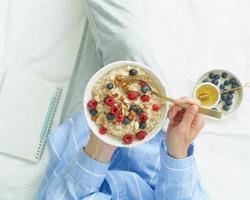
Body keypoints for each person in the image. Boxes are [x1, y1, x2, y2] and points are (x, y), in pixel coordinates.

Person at [39, 0, 206, 199]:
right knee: (125, 40)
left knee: (107, 32)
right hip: (155, 145)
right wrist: (178, 149)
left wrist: (102, 143)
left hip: (84, 144)